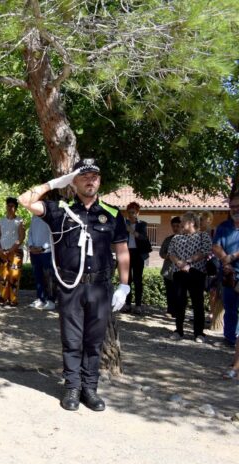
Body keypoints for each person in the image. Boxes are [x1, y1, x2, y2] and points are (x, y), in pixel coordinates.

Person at [18, 158, 130, 412]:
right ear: (74, 182)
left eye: (94, 177)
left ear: (99, 181)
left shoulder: (112, 214)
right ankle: (72, 387)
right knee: (71, 340)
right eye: (83, 176)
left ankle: (90, 389)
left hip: (100, 288)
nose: (90, 181)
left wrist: (124, 285)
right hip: (70, 286)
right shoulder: (61, 210)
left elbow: (122, 251)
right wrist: (55, 183)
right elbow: (25, 200)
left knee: (94, 341)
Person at [167, 211, 213, 343]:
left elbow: (205, 251)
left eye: (183, 221)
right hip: (179, 272)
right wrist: (178, 262)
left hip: (196, 272)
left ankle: (199, 333)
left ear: (192, 222)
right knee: (179, 302)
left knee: (198, 303)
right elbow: (170, 253)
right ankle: (178, 331)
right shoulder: (176, 238)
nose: (181, 223)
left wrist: (189, 261)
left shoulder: (202, 236)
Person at [213, 194, 239, 347]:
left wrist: (232, 256)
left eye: (238, 206)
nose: (235, 209)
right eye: (232, 206)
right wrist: (225, 260)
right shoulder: (224, 226)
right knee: (230, 307)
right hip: (228, 272)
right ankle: (229, 338)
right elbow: (215, 246)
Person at [0, 197, 26, 307]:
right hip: (3, 252)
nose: (10, 208)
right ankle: (3, 299)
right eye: (8, 206)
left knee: (14, 276)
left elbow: (21, 237)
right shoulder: (2, 221)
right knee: (3, 276)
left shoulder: (20, 221)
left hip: (15, 253)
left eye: (12, 206)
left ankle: (13, 299)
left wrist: (11, 250)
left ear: (16, 208)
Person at [124, 201, 150, 314]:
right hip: (126, 253)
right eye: (129, 212)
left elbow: (144, 238)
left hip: (138, 254)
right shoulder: (124, 223)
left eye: (133, 212)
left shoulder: (142, 224)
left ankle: (138, 305)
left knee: (137, 280)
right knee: (127, 279)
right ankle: (127, 304)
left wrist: (133, 231)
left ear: (138, 213)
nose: (131, 214)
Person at [27, 214, 56, 310]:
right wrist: (31, 246)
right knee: (38, 276)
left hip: (47, 252)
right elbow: (30, 232)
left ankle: (51, 300)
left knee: (49, 277)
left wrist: (43, 248)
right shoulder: (34, 216)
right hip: (34, 251)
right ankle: (41, 298)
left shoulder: (50, 216)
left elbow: (53, 234)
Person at [159, 216, 182, 316]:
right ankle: (170, 310)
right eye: (174, 226)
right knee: (169, 291)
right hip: (168, 270)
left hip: (180, 270)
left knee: (179, 292)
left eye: (177, 226)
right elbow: (161, 253)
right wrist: (167, 256)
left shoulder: (186, 239)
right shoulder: (168, 239)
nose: (176, 228)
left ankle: (179, 311)